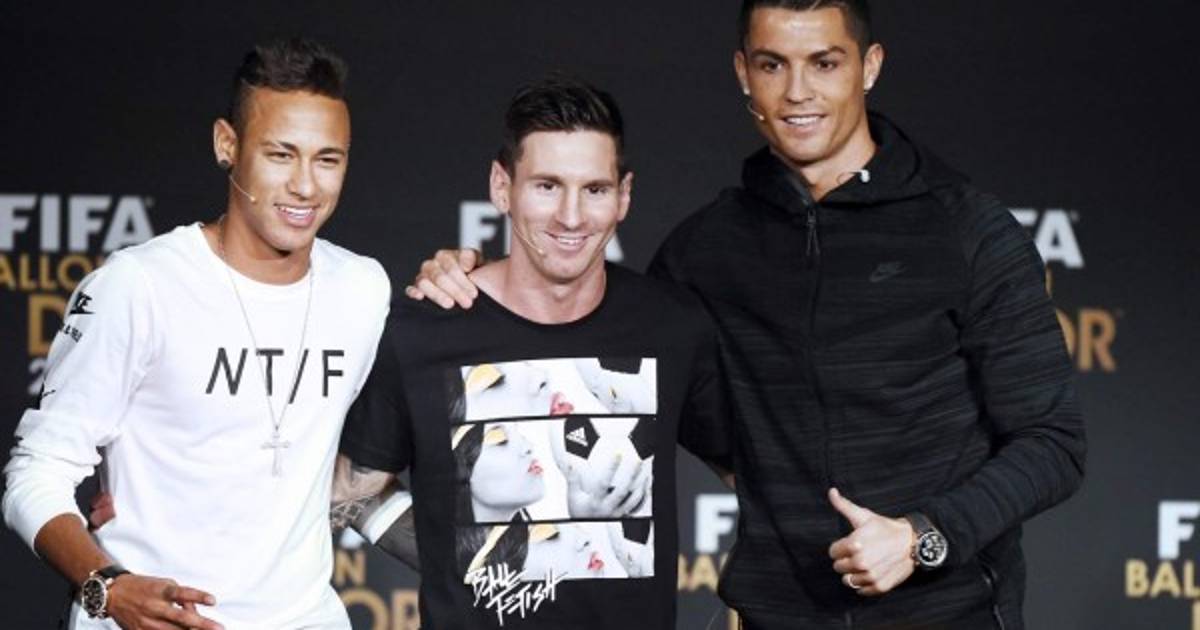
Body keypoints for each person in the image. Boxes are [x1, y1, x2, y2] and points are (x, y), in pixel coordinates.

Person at [408, 1, 1087, 628]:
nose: (797, 92)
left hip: (949, 614)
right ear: (743, 73)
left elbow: (1053, 443)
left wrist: (921, 535)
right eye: (772, 65)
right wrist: (472, 279)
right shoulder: (704, 252)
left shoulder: (967, 230)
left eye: (825, 63)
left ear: (870, 66)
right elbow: (579, 331)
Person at [2, 38, 390, 629]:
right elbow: (36, 471)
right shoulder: (139, 286)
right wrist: (109, 587)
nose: (306, 186)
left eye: (327, 159)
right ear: (226, 145)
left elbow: (334, 473)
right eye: (281, 155)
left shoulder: (362, 289)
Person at [331, 75, 732, 629]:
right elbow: (347, 492)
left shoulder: (672, 325)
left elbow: (753, 473)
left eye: (595, 190)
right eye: (547, 186)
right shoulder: (423, 330)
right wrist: (471, 557)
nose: (571, 216)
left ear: (624, 195)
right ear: (502, 187)